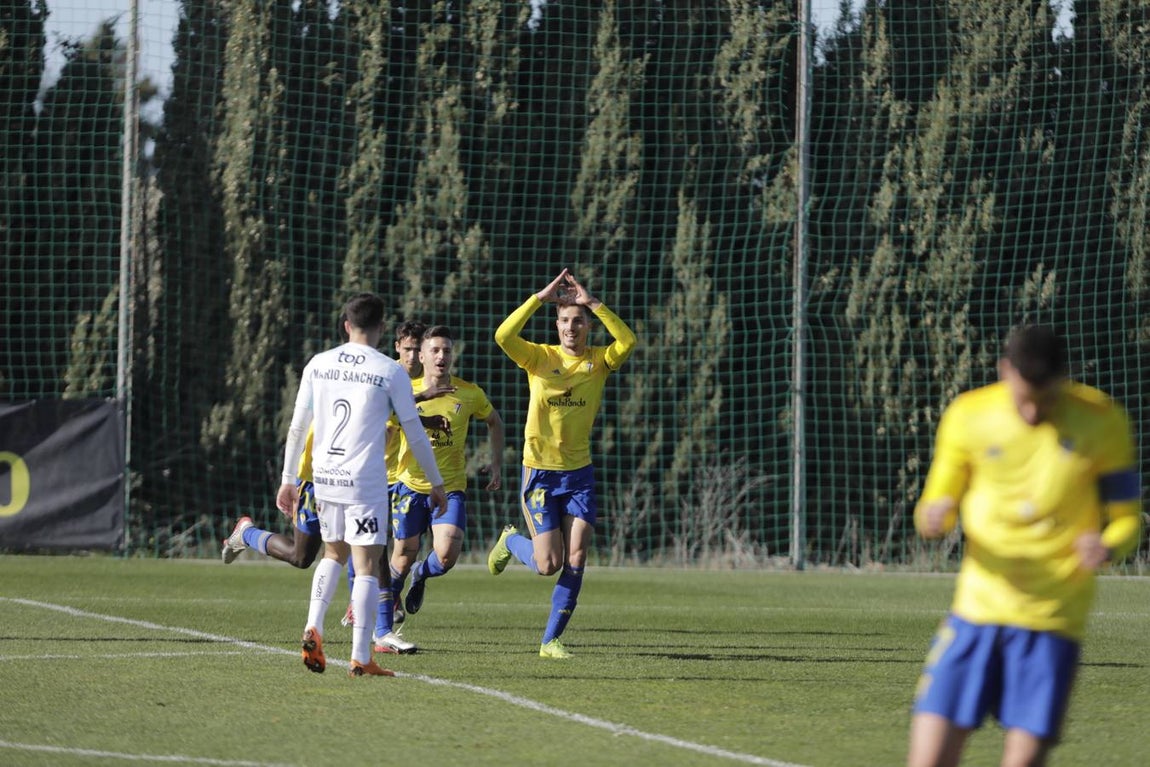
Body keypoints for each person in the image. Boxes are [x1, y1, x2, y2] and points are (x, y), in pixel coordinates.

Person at [907, 325, 1143, 767]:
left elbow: (1128, 519)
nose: (1033, 413)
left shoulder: (1102, 420)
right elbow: (936, 500)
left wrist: (1108, 546)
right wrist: (934, 516)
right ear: (1004, 371)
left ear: (1065, 380)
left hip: (1052, 622)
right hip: (977, 614)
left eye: (1047, 399)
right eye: (1024, 399)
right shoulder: (968, 414)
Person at [276, 293, 447, 677]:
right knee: (367, 564)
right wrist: (436, 482)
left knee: (332, 555)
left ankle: (313, 626)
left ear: (346, 325)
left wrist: (289, 480)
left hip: (324, 478)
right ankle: (361, 656)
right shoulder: (390, 371)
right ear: (382, 328)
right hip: (364, 482)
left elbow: (297, 426)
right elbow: (415, 433)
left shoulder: (318, 364)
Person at [486, 268, 637, 659]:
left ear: (587, 325)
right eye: (565, 321)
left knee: (577, 555)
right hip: (539, 471)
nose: (572, 328)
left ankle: (550, 640)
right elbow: (503, 336)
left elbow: (628, 339)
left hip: (579, 474)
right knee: (547, 563)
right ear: (556, 325)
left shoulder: (599, 362)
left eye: (579, 321)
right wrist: (540, 297)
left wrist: (594, 303)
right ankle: (510, 542)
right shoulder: (538, 357)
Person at [389, 325, 505, 623]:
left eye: (447, 350)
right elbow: (383, 420)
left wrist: (496, 463)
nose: (442, 356)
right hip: (410, 485)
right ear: (423, 356)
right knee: (401, 557)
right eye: (435, 350)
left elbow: (494, 422)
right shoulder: (405, 391)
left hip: (450, 487)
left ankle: (421, 573)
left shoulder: (469, 393)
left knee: (445, 556)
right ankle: (385, 611)